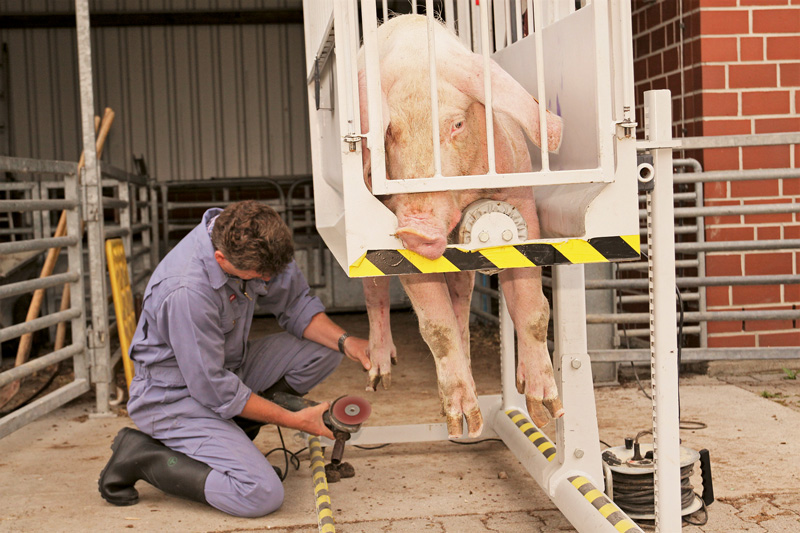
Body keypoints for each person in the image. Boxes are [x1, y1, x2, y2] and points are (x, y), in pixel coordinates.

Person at [98, 200, 371, 518]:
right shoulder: (187, 291)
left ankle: (235, 424)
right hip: (173, 398)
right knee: (260, 494)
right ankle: (144, 456)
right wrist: (291, 419)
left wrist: (346, 342)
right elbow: (213, 388)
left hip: (229, 369)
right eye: (258, 276)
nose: (268, 280)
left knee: (326, 349)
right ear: (220, 259)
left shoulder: (259, 240)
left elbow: (296, 303)